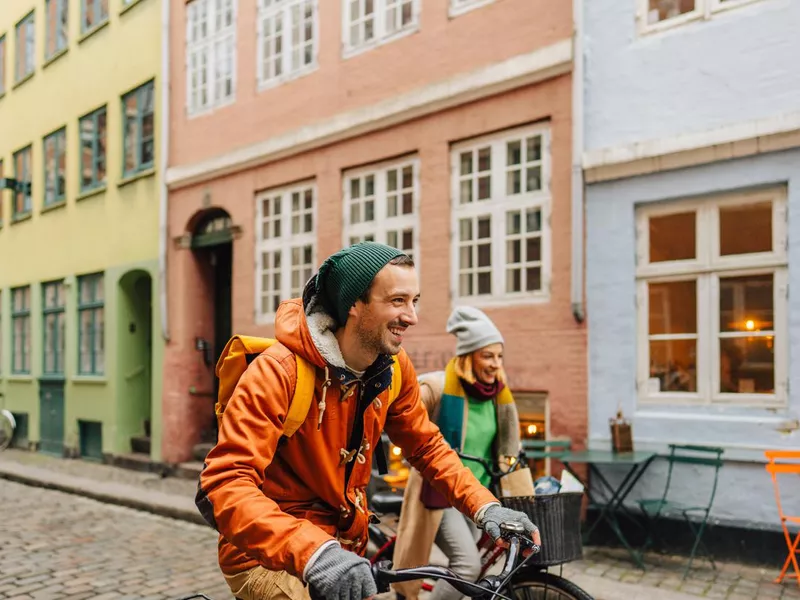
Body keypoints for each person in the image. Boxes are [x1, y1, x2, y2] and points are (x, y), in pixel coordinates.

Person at [195, 242, 539, 600]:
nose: (411, 316)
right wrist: (314, 551)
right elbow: (226, 483)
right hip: (267, 555)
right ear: (354, 305)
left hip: (344, 549)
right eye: (397, 301)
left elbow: (426, 445)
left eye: (414, 301)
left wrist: (486, 507)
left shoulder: (393, 368)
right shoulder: (279, 372)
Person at [392, 306, 523, 600]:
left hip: (477, 495)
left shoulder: (498, 396)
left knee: (475, 563)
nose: (495, 364)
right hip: (440, 493)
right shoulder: (438, 387)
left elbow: (506, 444)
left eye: (499, 356)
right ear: (469, 356)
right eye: (487, 356)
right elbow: (404, 416)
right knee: (467, 567)